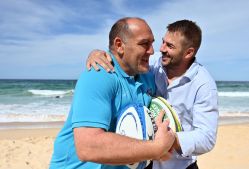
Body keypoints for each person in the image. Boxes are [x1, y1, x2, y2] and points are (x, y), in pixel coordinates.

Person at [86, 20, 219, 169]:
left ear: (188, 52)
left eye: (170, 46)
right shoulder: (154, 62)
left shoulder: (204, 85)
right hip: (145, 163)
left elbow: (207, 138)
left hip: (179, 166)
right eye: (163, 42)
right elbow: (125, 57)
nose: (161, 49)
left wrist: (171, 139)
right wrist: (98, 53)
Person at [50, 17, 176, 169]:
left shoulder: (147, 77)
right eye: (144, 44)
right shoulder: (98, 75)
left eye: (152, 43)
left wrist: (162, 145)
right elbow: (87, 146)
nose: (151, 51)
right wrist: (156, 148)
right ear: (119, 45)